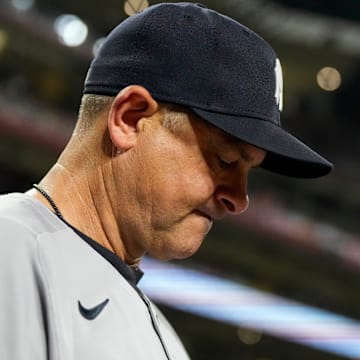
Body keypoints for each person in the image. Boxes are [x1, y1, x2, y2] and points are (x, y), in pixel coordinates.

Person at [0, 2, 333, 360]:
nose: (239, 198)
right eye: (225, 160)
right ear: (130, 119)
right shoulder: (11, 251)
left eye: (248, 171)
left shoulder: (159, 333)